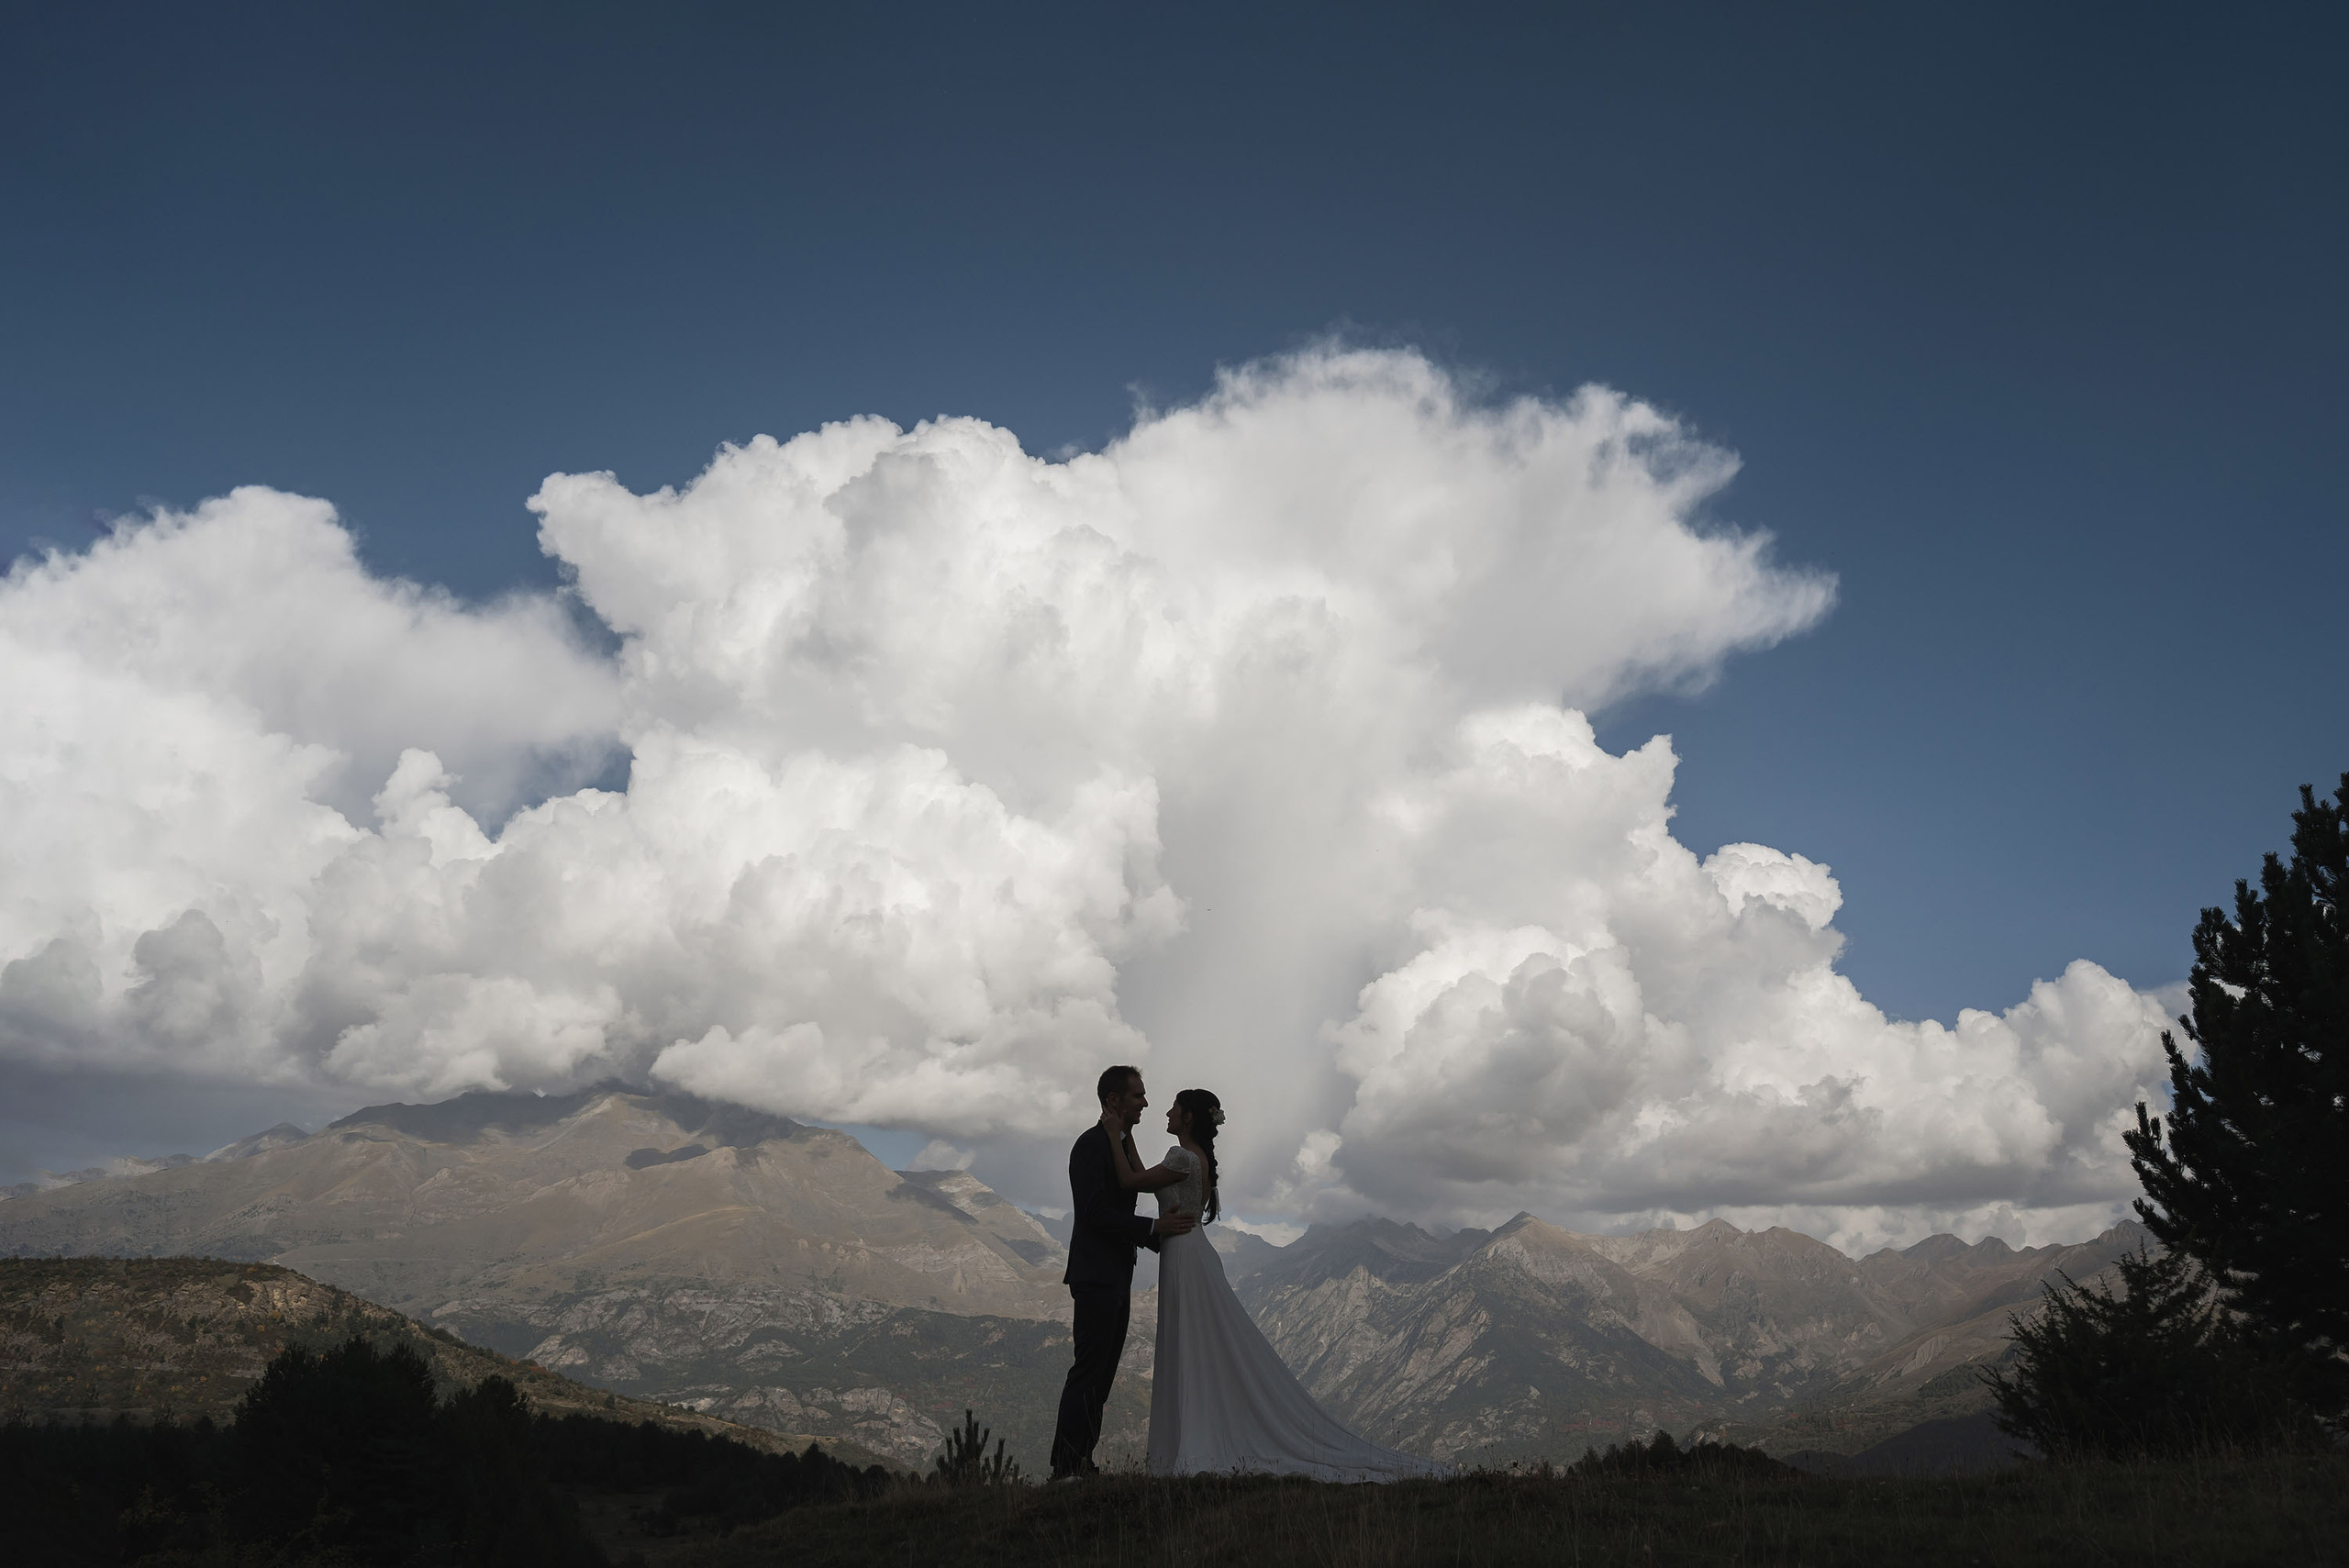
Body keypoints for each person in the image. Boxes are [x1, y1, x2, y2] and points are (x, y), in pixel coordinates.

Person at [1106, 1086, 1446, 1481]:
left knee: (1187, 1340)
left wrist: (1114, 1135)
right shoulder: (1197, 1159)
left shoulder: (1180, 1157)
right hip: (1190, 1247)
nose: (1166, 1113)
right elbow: (1145, 1176)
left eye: (1174, 1108)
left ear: (1189, 1118)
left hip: (1181, 1252)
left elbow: (1129, 1180)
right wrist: (1128, 1136)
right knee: (1198, 1340)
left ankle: (1190, 1438)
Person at [1049, 1064, 1196, 1480]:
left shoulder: (1121, 1144)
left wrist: (1156, 1232)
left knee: (1103, 1373)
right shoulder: (1090, 1146)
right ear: (1114, 1100)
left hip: (1116, 1273)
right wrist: (1152, 1229)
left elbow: (1132, 1185)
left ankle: (1081, 1461)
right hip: (1095, 1274)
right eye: (1137, 1096)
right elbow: (1094, 1213)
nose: (1145, 1103)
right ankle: (1066, 1466)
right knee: (1089, 1370)